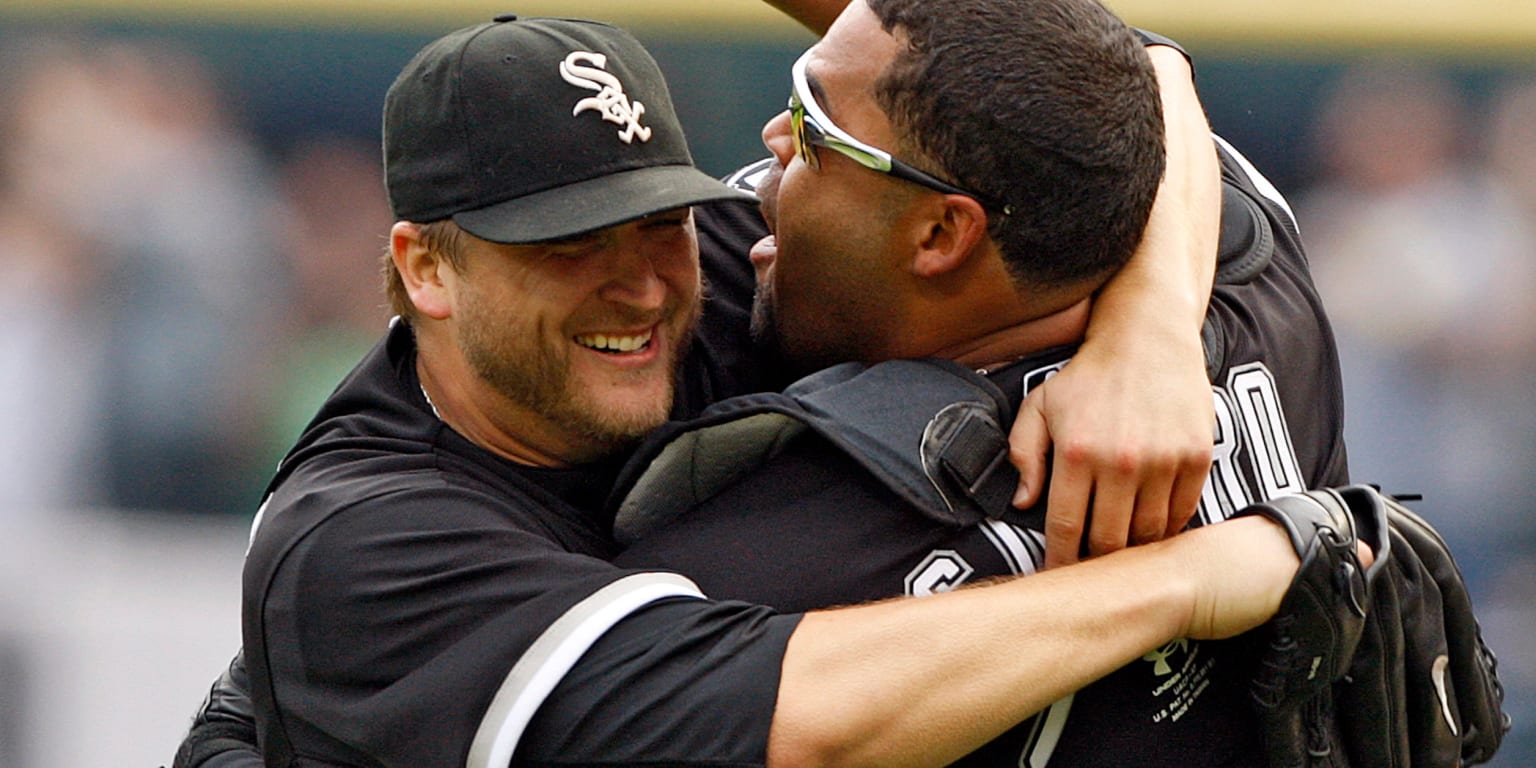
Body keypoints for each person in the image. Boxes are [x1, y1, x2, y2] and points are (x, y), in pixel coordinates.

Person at [162, 9, 1331, 768]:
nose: (636, 285)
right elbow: (793, 719)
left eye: (658, 218)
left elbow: (1114, 78)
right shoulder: (368, 542)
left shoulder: (737, 277)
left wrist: (1154, 332)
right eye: (566, 245)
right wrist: (1191, 578)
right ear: (426, 267)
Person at [602, 0, 1346, 765]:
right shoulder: (1256, 284)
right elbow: (1118, 70)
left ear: (940, 234)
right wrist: (1155, 319)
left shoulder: (770, 559)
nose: (777, 138)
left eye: (814, 129)